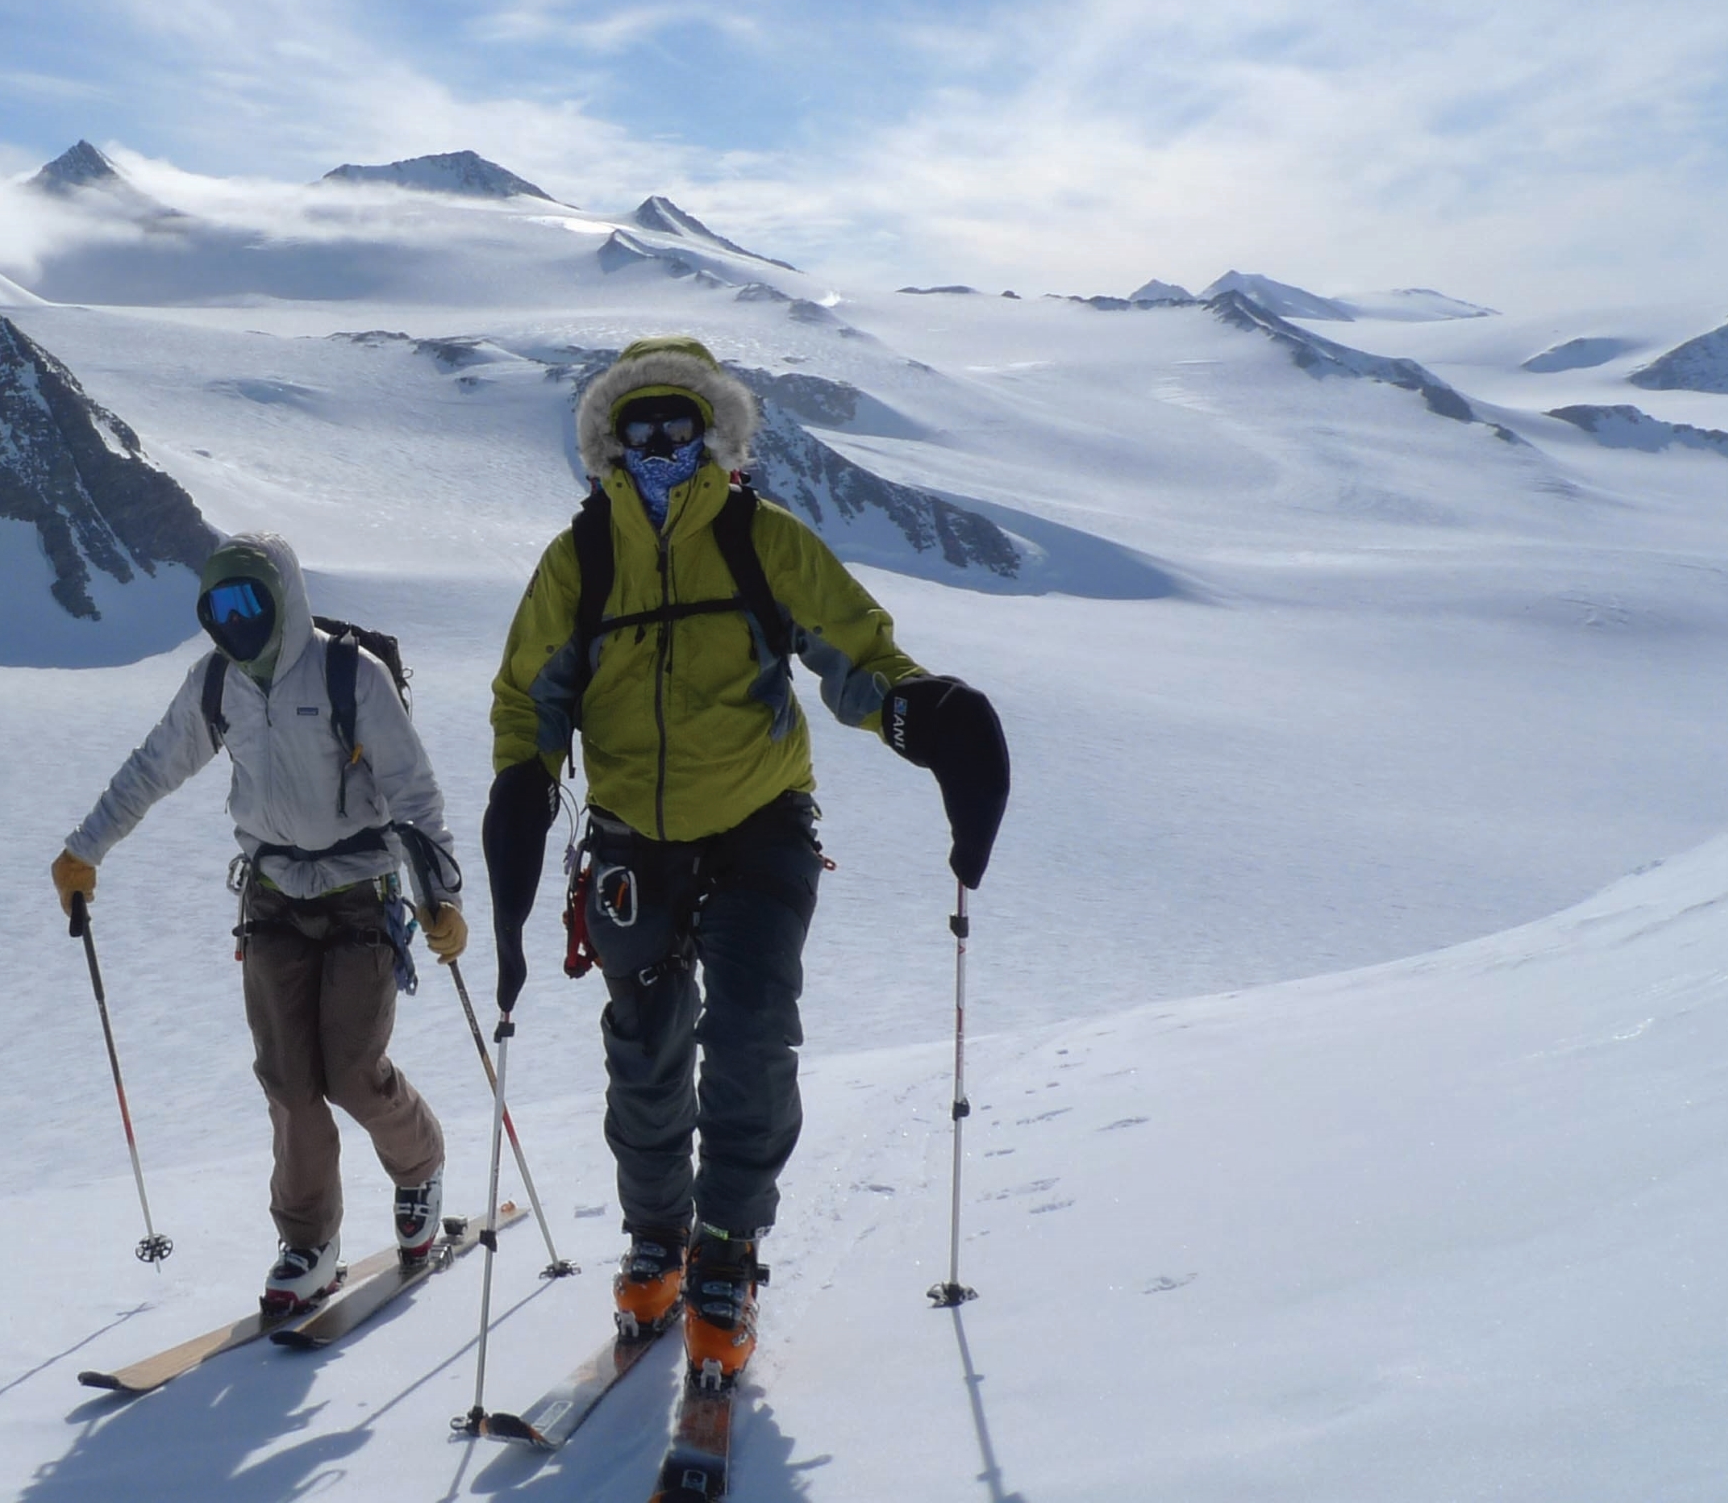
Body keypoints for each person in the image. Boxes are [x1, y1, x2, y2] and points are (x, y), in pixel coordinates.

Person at [482, 336, 1010, 1387]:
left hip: (759, 821)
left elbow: (854, 653)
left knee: (752, 1036)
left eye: (677, 422)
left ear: (712, 430)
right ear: (608, 441)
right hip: (632, 835)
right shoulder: (580, 559)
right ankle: (655, 1240)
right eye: (637, 426)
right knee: (643, 1046)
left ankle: (723, 1253)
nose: (657, 444)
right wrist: (523, 783)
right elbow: (530, 693)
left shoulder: (762, 539)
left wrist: (919, 712)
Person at [52, 532, 475, 1313]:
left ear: (285, 598)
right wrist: (86, 849)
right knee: (287, 1081)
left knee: (352, 1073)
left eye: (249, 600)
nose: (235, 619)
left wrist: (440, 897)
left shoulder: (351, 673)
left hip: (359, 895)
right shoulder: (218, 684)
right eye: (217, 607)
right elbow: (153, 766)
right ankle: (309, 1242)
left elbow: (413, 791)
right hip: (273, 896)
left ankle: (420, 1168)